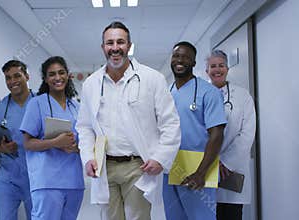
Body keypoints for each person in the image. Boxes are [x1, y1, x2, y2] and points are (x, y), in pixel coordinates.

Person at [76, 21, 181, 220]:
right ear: (102, 47)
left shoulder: (152, 79)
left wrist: (160, 158)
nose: (115, 48)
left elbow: (170, 124)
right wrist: (88, 157)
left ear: (129, 45)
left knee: (138, 217)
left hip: (138, 166)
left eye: (120, 42)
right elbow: (85, 127)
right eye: (110, 43)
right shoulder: (91, 84)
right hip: (104, 166)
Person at [163, 42, 227, 220]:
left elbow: (217, 134)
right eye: (176, 56)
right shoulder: (166, 93)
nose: (180, 60)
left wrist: (201, 173)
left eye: (185, 57)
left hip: (198, 168)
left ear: (193, 62)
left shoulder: (209, 93)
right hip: (171, 169)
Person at [20, 56, 84, 220]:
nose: (57, 78)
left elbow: (84, 140)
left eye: (61, 73)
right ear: (45, 79)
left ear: (68, 75)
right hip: (47, 182)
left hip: (74, 181)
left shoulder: (76, 107)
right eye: (52, 74)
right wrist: (55, 143)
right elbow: (27, 143)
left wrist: (77, 147)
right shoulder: (36, 104)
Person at [205, 50, 256, 220]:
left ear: (227, 69)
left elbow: (247, 133)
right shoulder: (200, 94)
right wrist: (210, 161)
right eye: (213, 66)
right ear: (207, 71)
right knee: (205, 212)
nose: (217, 69)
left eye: (221, 65)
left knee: (231, 214)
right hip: (204, 167)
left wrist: (225, 162)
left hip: (231, 170)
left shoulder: (242, 96)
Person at [0, 60, 33, 220]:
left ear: (27, 76)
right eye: (8, 78)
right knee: (4, 217)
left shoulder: (40, 103)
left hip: (35, 176)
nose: (12, 81)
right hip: (8, 176)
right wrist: (2, 149)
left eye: (17, 76)